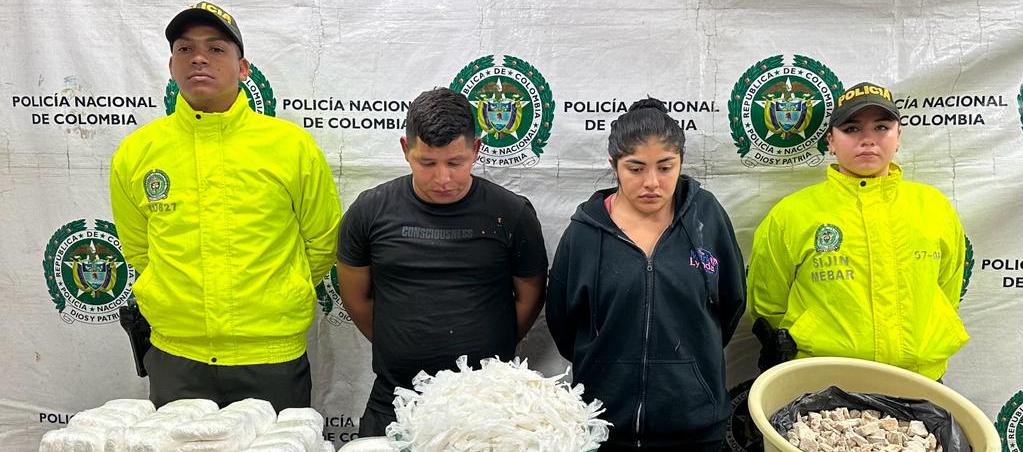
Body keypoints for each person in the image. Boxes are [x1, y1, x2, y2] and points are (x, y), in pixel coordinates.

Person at [109, 2, 341, 410]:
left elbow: (322, 241)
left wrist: (278, 290)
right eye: (185, 49)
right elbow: (138, 249)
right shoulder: (136, 152)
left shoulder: (292, 147)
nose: (199, 58)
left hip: (271, 355)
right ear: (172, 65)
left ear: (243, 68)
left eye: (216, 49)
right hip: (177, 357)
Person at [336, 87, 549, 436]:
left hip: (490, 405)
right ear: (406, 150)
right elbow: (356, 298)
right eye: (427, 163)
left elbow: (529, 298)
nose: (443, 179)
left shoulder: (511, 213)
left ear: (476, 150)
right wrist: (401, 343)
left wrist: (490, 346)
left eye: (455, 163)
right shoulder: (369, 211)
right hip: (396, 399)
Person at [545, 98, 746, 451]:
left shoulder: (707, 218)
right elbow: (563, 323)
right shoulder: (584, 232)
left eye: (665, 167)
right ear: (614, 165)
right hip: (602, 428)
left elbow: (731, 304)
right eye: (635, 169)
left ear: (681, 162)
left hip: (697, 429)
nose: (651, 182)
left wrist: (690, 367)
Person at [747, 82, 969, 381]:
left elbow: (947, 288)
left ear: (899, 136)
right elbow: (767, 304)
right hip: (823, 383)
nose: (868, 140)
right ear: (831, 141)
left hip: (920, 382)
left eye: (881, 127)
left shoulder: (933, 207)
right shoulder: (792, 214)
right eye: (852, 129)